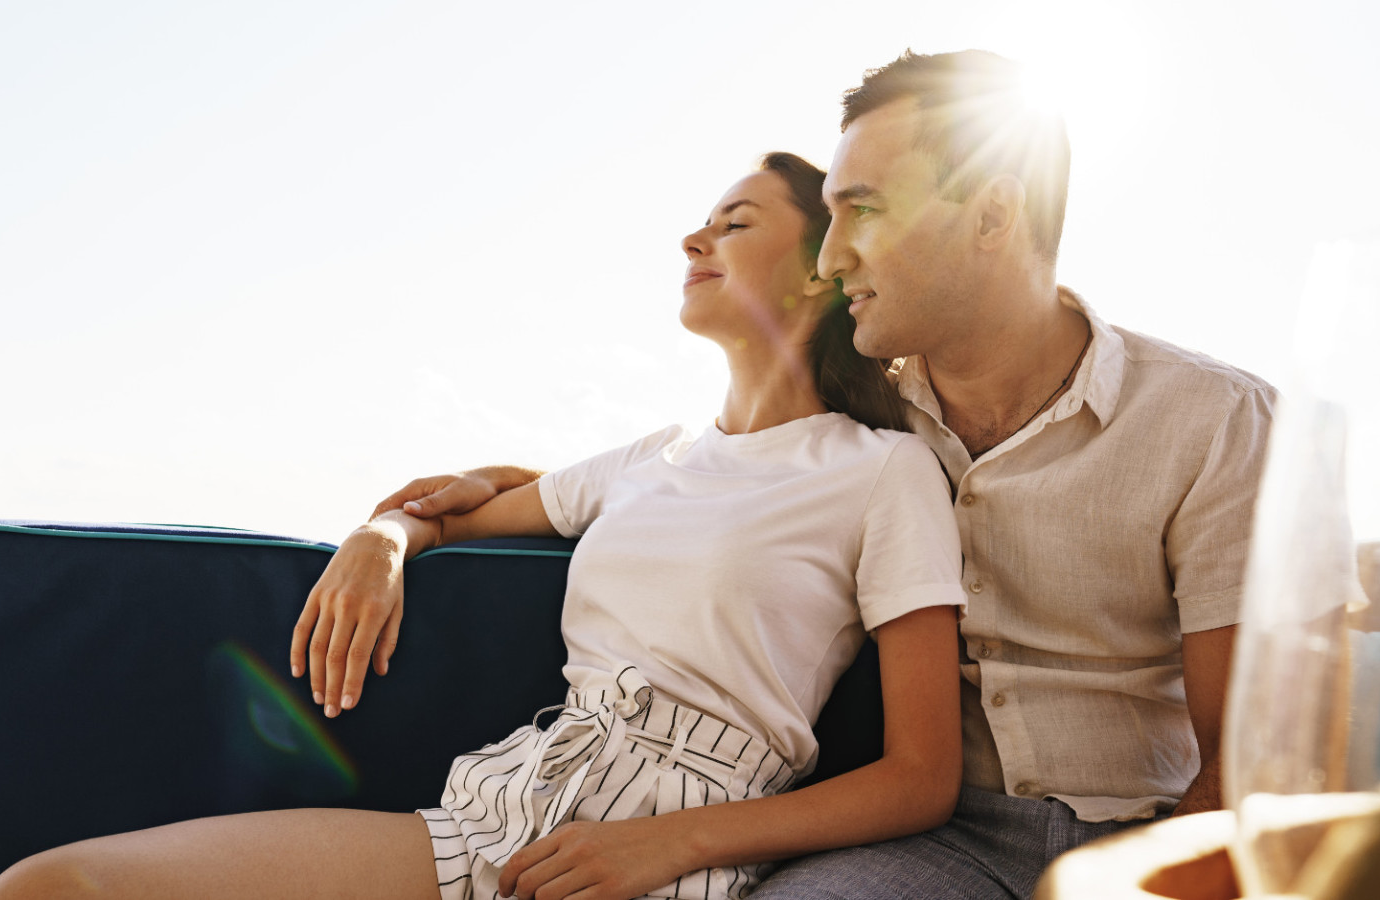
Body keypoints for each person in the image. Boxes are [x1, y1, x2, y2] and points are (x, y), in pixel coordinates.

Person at [388, 51, 1280, 899]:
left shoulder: (1211, 421)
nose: (830, 255)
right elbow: (707, 480)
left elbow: (1246, 761)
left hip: (1151, 829)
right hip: (944, 842)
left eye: (864, 210)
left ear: (992, 216)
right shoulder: (863, 428)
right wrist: (427, 513)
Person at [0, 153, 968, 900]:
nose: (691, 240)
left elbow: (921, 778)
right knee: (48, 888)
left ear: (818, 272)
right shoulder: (646, 461)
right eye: (701, 221)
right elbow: (443, 515)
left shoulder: (883, 472)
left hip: (674, 856)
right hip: (497, 816)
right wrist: (377, 544)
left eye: (734, 222)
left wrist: (675, 843)